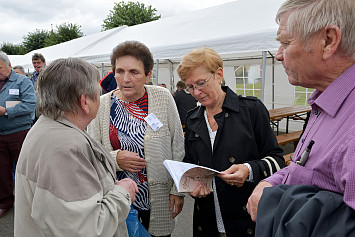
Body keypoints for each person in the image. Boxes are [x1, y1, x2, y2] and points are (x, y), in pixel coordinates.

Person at [247, 0, 355, 230]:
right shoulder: (326, 100)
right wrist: (270, 182)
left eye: (285, 42)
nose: (278, 55)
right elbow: (308, 168)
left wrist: (276, 202)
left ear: (328, 41)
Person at [14, 58, 138, 236]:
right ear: (85, 102)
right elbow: (87, 229)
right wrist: (123, 193)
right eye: (97, 93)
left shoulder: (48, 126)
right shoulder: (66, 148)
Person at [177, 47, 284, 237]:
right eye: (190, 87)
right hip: (207, 219)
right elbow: (191, 161)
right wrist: (191, 184)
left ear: (219, 74)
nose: (196, 92)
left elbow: (277, 160)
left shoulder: (251, 110)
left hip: (247, 218)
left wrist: (249, 170)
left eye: (201, 83)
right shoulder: (193, 118)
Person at [88, 41, 185, 237]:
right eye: (120, 71)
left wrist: (177, 189)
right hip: (117, 197)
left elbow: (178, 145)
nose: (126, 79)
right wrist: (116, 159)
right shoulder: (103, 104)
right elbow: (91, 151)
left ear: (149, 74)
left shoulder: (163, 97)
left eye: (134, 72)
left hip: (158, 197)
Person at [0, 51, 36, 218]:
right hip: (1, 135)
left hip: (18, 133)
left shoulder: (22, 81)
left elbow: (30, 105)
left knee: (24, 169)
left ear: (8, 65)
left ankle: (30, 202)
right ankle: (5, 201)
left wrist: (7, 110)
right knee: (2, 171)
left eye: (0, 68)